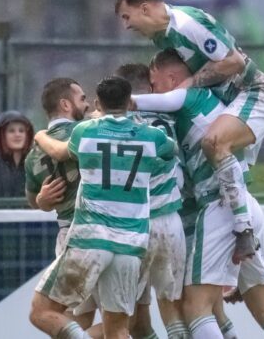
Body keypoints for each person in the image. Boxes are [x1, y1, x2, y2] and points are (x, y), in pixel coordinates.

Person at [115, 0, 264, 262]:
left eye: (126, 16)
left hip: (256, 93)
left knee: (214, 142)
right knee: (221, 160)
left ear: (144, 8)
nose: (126, 25)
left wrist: (188, 85)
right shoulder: (162, 38)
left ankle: (244, 231)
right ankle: (248, 264)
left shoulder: (187, 23)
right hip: (232, 101)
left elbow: (234, 63)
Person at [132, 49, 264, 339]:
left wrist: (115, 104)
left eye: (154, 83)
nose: (154, 91)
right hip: (246, 204)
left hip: (219, 207)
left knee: (196, 306)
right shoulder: (217, 103)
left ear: (171, 78)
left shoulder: (187, 98)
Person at [29, 76, 175, 339]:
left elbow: (59, 152)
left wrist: (40, 135)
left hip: (90, 240)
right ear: (130, 104)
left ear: (98, 103)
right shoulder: (152, 137)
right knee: (118, 330)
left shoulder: (86, 131)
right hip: (130, 245)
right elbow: (171, 150)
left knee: (41, 312)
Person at [116, 63, 189, 339]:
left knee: (132, 317)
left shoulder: (114, 128)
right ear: (148, 88)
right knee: (173, 309)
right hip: (169, 221)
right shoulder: (170, 119)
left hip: (134, 226)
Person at [24, 78, 98, 333]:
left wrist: (41, 201)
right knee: (95, 322)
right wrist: (42, 201)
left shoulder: (33, 154)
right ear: (65, 104)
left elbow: (32, 199)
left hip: (71, 237)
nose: (87, 105)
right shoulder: (89, 133)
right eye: (82, 99)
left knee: (58, 317)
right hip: (103, 233)